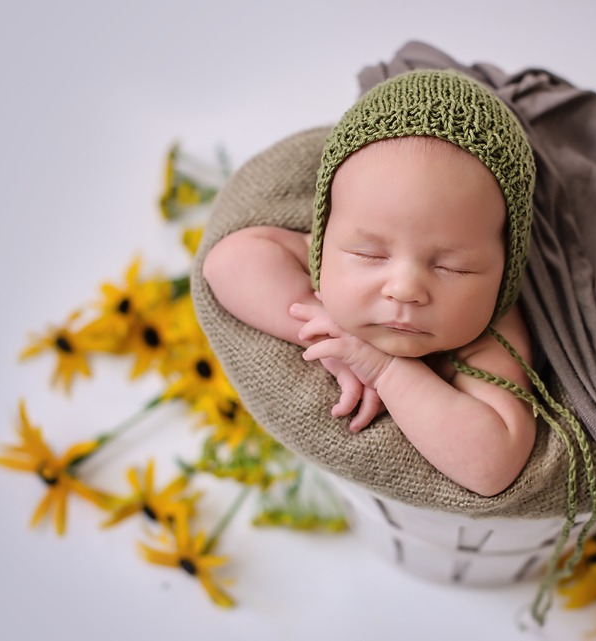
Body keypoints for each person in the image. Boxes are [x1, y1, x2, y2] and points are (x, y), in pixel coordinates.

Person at [202, 69, 539, 498]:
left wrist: (386, 371)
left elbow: (493, 464)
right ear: (324, 239)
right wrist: (324, 322)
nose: (404, 289)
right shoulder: (326, 262)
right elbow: (226, 262)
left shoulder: (489, 334)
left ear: (506, 270)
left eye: (453, 267)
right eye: (370, 255)